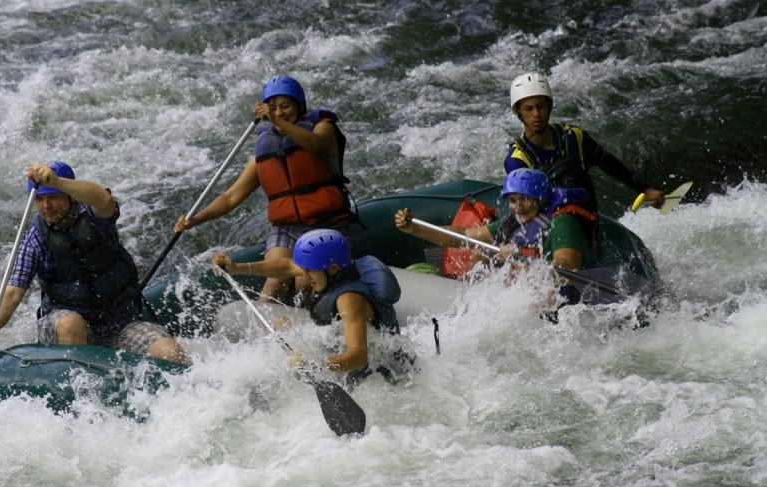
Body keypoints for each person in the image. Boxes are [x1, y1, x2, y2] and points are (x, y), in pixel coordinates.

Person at [0, 161, 188, 363]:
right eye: (39, 199)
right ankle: (85, 390)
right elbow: (12, 293)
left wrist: (57, 181)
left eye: (54, 197)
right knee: (70, 324)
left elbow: (104, 200)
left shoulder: (95, 216)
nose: (46, 206)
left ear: (70, 195)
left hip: (121, 324)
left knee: (172, 354)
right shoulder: (35, 239)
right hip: (67, 327)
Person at [176, 75, 352, 302]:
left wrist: (278, 123)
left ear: (299, 106)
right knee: (273, 284)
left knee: (303, 281)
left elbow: (314, 144)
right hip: (286, 228)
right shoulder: (266, 149)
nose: (279, 113)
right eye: (272, 108)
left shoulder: (323, 128)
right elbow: (230, 197)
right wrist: (195, 219)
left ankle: (313, 321)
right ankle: (265, 330)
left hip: (327, 222)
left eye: (285, 106)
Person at [211, 229, 402, 377]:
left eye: (308, 271)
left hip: (381, 372)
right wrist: (237, 268)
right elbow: (286, 265)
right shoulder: (326, 270)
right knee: (281, 322)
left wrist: (317, 364)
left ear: (333, 268)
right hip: (339, 345)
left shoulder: (349, 300)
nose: (303, 276)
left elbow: (360, 356)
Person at [506, 71, 666, 246]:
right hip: (550, 232)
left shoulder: (574, 138)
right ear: (517, 112)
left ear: (549, 106)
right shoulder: (516, 160)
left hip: (587, 224)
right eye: (529, 109)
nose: (536, 114)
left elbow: (609, 164)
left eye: (541, 106)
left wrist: (645, 189)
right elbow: (526, 210)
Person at [395, 168, 587, 303]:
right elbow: (462, 236)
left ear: (540, 200)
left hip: (561, 297)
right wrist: (416, 229)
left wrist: (519, 254)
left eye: (525, 200)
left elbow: (567, 268)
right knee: (481, 254)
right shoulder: (511, 222)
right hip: (522, 295)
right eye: (513, 200)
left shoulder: (561, 222)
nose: (518, 207)